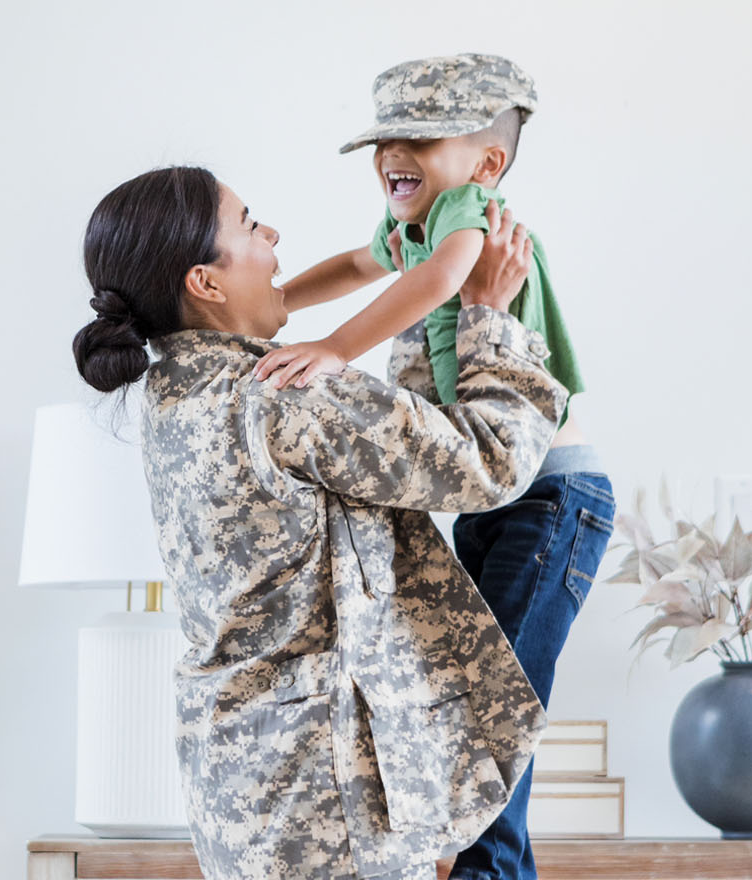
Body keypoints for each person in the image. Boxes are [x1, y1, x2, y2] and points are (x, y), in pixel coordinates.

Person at [71, 165, 564, 880]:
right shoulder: (280, 396)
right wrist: (488, 315)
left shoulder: (172, 397)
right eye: (249, 225)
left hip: (243, 795)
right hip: (329, 802)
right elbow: (486, 460)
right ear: (205, 283)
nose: (272, 235)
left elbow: (384, 445)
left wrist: (421, 296)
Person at [256, 55, 617, 880]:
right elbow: (356, 265)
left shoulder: (469, 212)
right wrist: (277, 307)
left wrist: (334, 347)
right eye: (385, 140)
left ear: (486, 162)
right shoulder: (420, 224)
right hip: (506, 502)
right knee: (483, 711)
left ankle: (488, 871)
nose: (393, 153)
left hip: (553, 497)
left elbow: (444, 280)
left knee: (493, 715)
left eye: (420, 138)